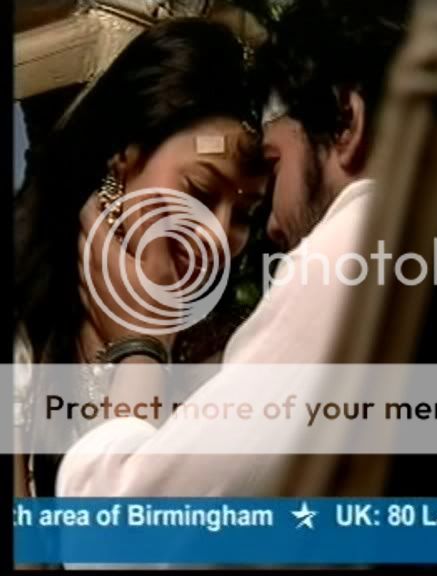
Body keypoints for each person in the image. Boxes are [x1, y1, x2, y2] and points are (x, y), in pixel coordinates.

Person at [58, 0, 437, 518]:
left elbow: (129, 526)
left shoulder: (376, 246)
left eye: (272, 169)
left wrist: (136, 342)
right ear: (121, 163)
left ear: (347, 123)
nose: (267, 227)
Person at [14, 18, 267, 499]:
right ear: (120, 160)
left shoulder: (236, 362)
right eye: (198, 190)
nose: (218, 236)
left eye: (245, 214)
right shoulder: (26, 331)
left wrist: (143, 348)